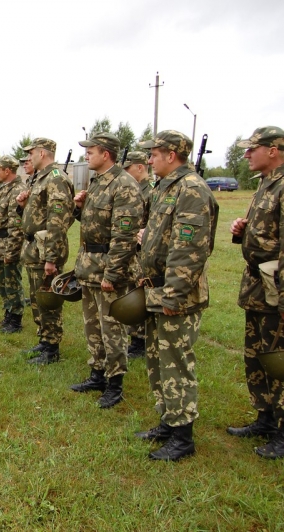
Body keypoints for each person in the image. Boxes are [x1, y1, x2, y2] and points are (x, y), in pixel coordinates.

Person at [134, 130, 218, 461]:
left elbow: (190, 251)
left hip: (175, 295)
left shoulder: (191, 189)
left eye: (154, 154)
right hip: (158, 289)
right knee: (156, 359)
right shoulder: (166, 187)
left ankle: (183, 436)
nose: (149, 160)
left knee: (176, 363)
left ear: (171, 155)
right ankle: (168, 421)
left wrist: (172, 296)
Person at [69, 133, 142, 408]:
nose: (86, 155)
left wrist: (112, 275)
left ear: (106, 154)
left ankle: (115, 383)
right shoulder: (98, 182)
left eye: (91, 151)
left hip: (109, 269)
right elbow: (93, 224)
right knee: (92, 326)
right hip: (90, 268)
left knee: (112, 329)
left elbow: (124, 236)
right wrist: (79, 208)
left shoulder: (124, 185)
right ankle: (97, 373)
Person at [228, 126, 284, 459]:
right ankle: (264, 417)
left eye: (252, 149)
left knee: (278, 357)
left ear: (274, 150)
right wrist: (242, 231)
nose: (247, 155)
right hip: (257, 286)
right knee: (257, 353)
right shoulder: (265, 185)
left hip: (275, 289)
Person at [16, 138, 74, 364]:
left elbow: (58, 222)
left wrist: (51, 257)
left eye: (31, 153)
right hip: (33, 248)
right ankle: (43, 339)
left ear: (42, 153)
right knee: (36, 298)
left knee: (48, 300)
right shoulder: (38, 179)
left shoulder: (56, 179)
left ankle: (52, 348)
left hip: (46, 250)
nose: (28, 158)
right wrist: (21, 207)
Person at [0, 155, 28, 332]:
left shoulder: (17, 190)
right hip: (1, 241)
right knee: (3, 282)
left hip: (10, 242)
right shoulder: (4, 187)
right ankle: (8, 313)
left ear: (8, 170)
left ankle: (15, 320)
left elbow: (17, 224)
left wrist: (12, 251)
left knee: (12, 281)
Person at [123, 151, 153, 359]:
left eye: (128, 168)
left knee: (142, 290)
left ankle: (141, 340)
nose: (124, 173)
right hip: (134, 249)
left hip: (145, 250)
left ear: (140, 167)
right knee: (133, 289)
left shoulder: (149, 191)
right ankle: (136, 337)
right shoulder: (133, 188)